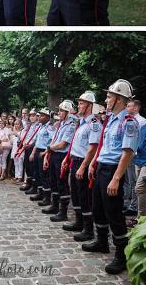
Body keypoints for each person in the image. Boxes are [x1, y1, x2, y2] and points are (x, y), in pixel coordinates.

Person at [83, 80, 140, 274]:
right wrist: (93, 163)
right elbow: (103, 146)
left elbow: (127, 153)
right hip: (101, 168)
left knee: (114, 213)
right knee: (98, 207)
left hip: (113, 170)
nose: (106, 99)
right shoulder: (110, 119)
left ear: (120, 99)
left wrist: (116, 178)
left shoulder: (128, 122)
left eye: (109, 96)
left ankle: (121, 256)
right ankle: (101, 242)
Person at [64, 92, 101, 241]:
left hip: (83, 163)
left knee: (85, 196)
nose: (78, 105)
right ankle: (79, 222)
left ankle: (88, 229)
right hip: (76, 160)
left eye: (82, 103)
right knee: (76, 194)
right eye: (78, 103)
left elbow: (93, 148)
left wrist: (83, 166)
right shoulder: (81, 123)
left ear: (90, 105)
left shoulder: (93, 124)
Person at [44, 101, 77, 221]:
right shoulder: (61, 124)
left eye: (61, 111)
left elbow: (63, 144)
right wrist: (48, 153)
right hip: (54, 154)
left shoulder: (71, 125)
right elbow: (54, 140)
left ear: (68, 112)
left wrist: (49, 148)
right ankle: (55, 205)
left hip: (62, 156)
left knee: (62, 183)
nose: (59, 113)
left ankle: (63, 211)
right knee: (53, 181)